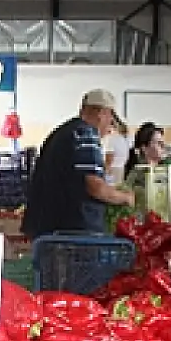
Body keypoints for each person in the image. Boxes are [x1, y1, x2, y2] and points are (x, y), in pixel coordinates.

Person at [21, 90, 135, 239]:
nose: (109, 127)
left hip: (49, 229)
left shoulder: (63, 131)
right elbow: (94, 186)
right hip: (72, 232)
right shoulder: (85, 134)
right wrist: (125, 197)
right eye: (110, 120)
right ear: (101, 113)